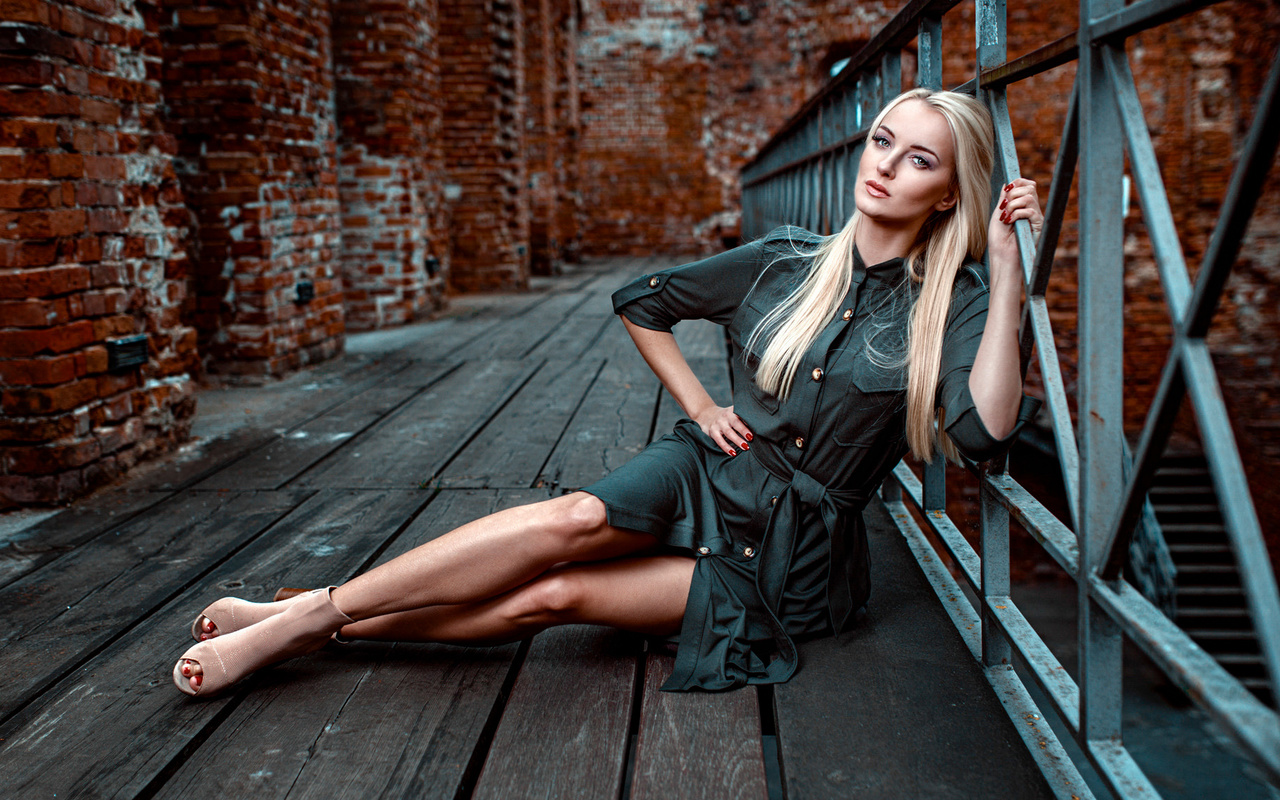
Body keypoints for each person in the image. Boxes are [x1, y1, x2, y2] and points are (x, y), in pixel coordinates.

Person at [172, 88, 1043, 697]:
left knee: (555, 598)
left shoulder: (954, 303)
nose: (885, 166)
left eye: (919, 158)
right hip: (713, 467)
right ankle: (302, 620)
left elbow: (982, 432)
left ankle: (310, 625)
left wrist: (1005, 278)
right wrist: (701, 406)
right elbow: (645, 303)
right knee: (571, 522)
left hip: (790, 558)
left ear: (946, 193)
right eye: (882, 140)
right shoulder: (785, 261)